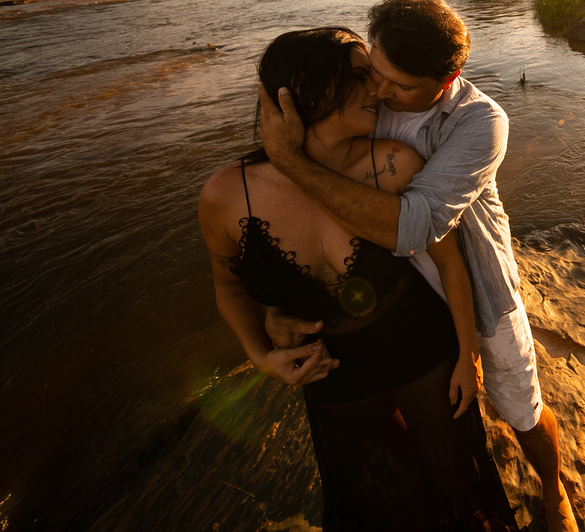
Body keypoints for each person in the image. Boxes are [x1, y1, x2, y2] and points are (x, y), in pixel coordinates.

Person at [259, 0, 579, 532]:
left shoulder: (479, 122)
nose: (378, 91)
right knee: (425, 420)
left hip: (477, 290)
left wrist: (287, 161)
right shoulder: (364, 93)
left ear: (447, 77)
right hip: (400, 302)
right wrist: (276, 306)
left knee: (520, 407)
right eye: (374, 73)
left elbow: (415, 226)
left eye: (399, 85)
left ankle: (554, 488)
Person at [198, 27, 515, 531]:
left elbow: (449, 262)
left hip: (423, 351)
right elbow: (229, 286)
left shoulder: (394, 163)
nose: (378, 92)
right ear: (307, 87)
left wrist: (466, 354)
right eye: (363, 78)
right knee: (378, 493)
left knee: (459, 478)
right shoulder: (227, 194)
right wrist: (259, 352)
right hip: (333, 373)